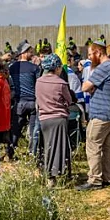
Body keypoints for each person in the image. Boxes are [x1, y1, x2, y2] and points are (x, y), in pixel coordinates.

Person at [78, 40, 110, 191]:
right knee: (107, 147)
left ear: (98, 52)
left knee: (93, 143)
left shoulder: (104, 67)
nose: (89, 58)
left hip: (101, 113)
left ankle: (95, 179)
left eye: (90, 54)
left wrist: (91, 85)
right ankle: (107, 177)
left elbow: (85, 86)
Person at [35, 54, 73, 185]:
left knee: (48, 147)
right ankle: (59, 174)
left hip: (44, 119)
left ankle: (48, 174)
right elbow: (69, 100)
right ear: (57, 68)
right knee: (60, 147)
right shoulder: (61, 83)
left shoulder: (39, 81)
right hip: (59, 118)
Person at [8, 41, 40, 158]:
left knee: (16, 129)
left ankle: (10, 152)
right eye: (30, 52)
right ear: (23, 53)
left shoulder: (12, 68)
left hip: (19, 102)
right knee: (32, 130)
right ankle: (32, 153)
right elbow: (38, 84)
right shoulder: (34, 68)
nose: (32, 54)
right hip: (32, 102)